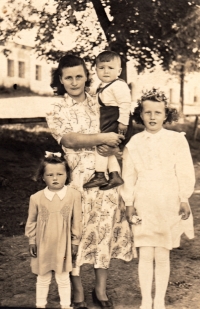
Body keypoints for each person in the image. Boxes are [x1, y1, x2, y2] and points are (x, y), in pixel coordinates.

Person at [46, 54, 135, 309]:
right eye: (68, 77)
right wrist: (102, 139)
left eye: (79, 76)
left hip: (104, 176)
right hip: (74, 178)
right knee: (75, 234)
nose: (74, 82)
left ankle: (100, 290)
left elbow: (119, 125)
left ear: (87, 76)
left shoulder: (100, 99)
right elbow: (68, 140)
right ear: (60, 80)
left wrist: (114, 145)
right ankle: (77, 291)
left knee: (104, 229)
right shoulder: (56, 108)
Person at [120, 88, 195, 309]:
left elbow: (184, 170)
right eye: (148, 112)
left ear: (166, 115)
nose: (153, 117)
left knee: (162, 254)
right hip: (144, 202)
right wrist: (129, 203)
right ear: (140, 115)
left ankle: (159, 301)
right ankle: (145, 301)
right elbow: (128, 176)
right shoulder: (134, 143)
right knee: (145, 253)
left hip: (168, 201)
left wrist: (183, 198)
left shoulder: (176, 140)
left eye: (158, 112)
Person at [25, 152, 82, 309]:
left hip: (63, 244)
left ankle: (65, 305)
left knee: (63, 277)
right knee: (42, 277)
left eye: (59, 174)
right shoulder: (36, 198)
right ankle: (40, 305)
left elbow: (76, 220)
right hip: (43, 244)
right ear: (43, 177)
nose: (55, 178)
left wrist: (75, 241)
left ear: (67, 175)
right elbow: (32, 221)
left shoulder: (73, 196)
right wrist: (31, 241)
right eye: (50, 175)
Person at [83, 50, 133, 190]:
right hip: (106, 119)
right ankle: (114, 174)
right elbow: (95, 95)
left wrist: (123, 122)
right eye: (101, 68)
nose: (105, 71)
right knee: (106, 148)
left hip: (115, 120)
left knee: (101, 145)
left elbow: (125, 104)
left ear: (119, 70)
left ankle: (100, 175)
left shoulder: (119, 85)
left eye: (110, 68)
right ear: (96, 69)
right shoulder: (102, 85)